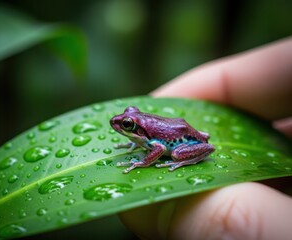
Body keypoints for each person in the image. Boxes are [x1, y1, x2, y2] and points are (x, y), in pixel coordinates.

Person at [119, 37, 292, 240]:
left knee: (174, 154)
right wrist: (134, 140)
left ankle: (188, 159)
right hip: (177, 131)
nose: (119, 124)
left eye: (127, 125)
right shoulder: (143, 134)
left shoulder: (152, 138)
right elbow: (148, 141)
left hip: (186, 142)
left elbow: (157, 149)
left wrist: (142, 162)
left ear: (137, 127)